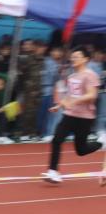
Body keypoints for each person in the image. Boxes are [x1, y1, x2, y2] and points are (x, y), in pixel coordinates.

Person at [43, 47, 103, 184]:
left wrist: (76, 101)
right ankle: (53, 171)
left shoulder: (90, 75)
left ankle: (101, 143)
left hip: (85, 117)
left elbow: (92, 95)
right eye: (72, 56)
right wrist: (59, 105)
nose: (73, 59)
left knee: (81, 150)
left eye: (77, 56)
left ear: (85, 59)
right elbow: (69, 95)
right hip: (69, 114)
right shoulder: (71, 77)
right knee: (57, 139)